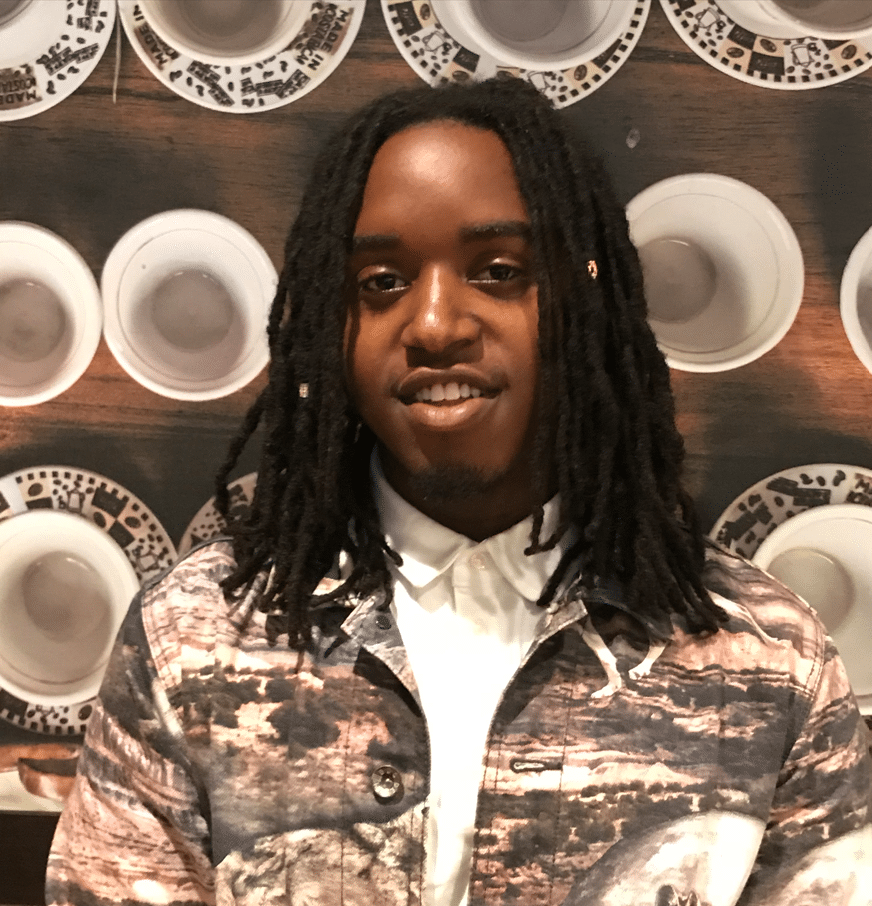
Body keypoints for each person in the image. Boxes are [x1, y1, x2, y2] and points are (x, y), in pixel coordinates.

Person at [46, 78, 871, 906]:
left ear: (583, 301)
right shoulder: (194, 635)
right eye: (380, 282)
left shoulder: (768, 660)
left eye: (499, 270)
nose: (435, 323)